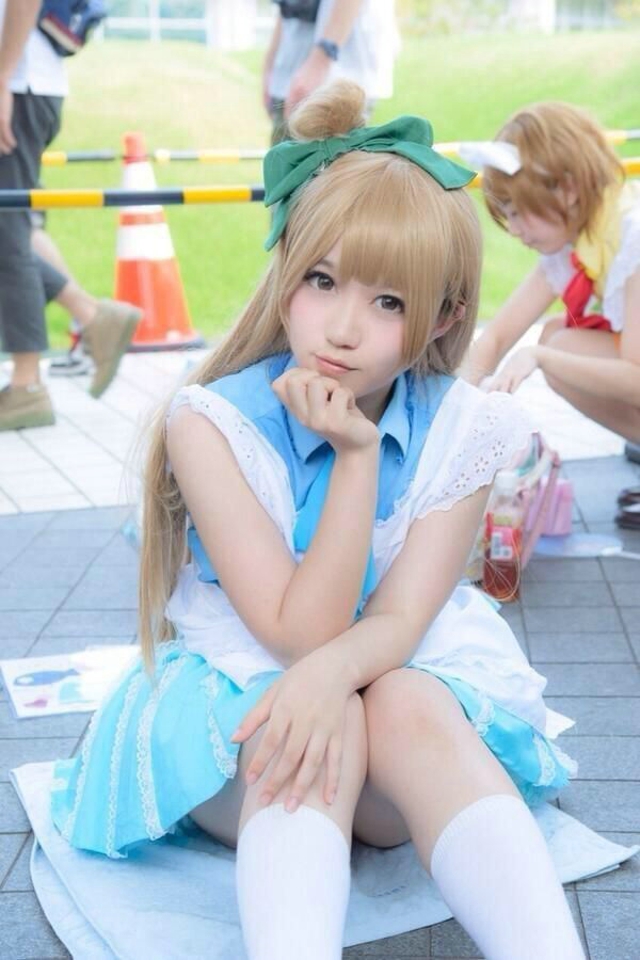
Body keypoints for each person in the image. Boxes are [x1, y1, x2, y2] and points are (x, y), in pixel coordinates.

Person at [48, 82, 585, 960]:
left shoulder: (465, 427)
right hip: (240, 709)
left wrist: (334, 668)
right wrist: (356, 458)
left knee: (403, 700)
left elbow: (400, 621)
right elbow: (301, 634)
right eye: (322, 281)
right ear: (285, 272)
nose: (342, 327)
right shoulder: (211, 423)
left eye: (389, 302)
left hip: (390, 693)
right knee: (305, 717)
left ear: (445, 317)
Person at [460, 102, 640, 456]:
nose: (513, 230)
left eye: (517, 212)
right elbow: (496, 338)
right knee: (556, 336)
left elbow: (636, 379)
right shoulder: (589, 231)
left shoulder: (632, 236)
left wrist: (539, 357)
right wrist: (448, 408)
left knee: (557, 350)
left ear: (568, 190)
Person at [0, 0, 141, 431]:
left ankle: (27, 384)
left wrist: (2, 77)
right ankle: (93, 316)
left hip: (19, 85)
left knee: (8, 231)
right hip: (21, 84)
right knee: (8, 230)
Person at [263, 0, 399, 143]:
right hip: (292, 68)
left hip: (336, 73)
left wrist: (321, 60)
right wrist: (270, 65)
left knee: (329, 153)